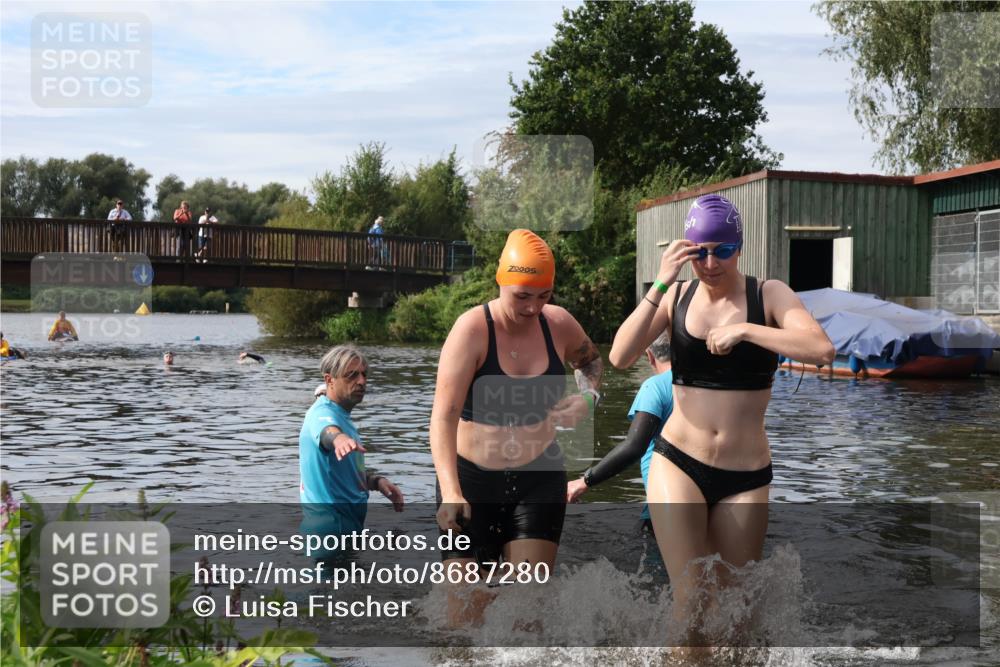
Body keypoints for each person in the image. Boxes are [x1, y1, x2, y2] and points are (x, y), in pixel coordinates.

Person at [609, 193, 835, 645]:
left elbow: (822, 351)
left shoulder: (767, 294)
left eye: (723, 251)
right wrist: (659, 283)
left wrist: (747, 330)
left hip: (744, 476)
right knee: (690, 604)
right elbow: (619, 355)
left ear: (739, 247)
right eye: (700, 253)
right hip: (679, 462)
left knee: (736, 618)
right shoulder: (675, 295)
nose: (711, 264)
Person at [431, 228, 603, 624]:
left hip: (538, 477)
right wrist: (451, 491)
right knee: (465, 620)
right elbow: (443, 417)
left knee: (528, 614)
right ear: (500, 280)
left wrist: (588, 399)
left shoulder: (557, 324)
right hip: (470, 481)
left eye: (543, 296)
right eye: (522, 295)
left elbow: (591, 362)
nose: (532, 307)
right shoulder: (471, 330)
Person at [299, 346, 404, 558]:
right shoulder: (322, 413)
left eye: (364, 374)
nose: (362, 381)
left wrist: (375, 482)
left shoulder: (340, 414)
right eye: (352, 375)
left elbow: (341, 472)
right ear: (329, 380)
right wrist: (339, 439)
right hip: (330, 532)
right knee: (324, 591)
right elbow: (328, 433)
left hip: (345, 528)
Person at [567, 331, 673, 532]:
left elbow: (634, 446)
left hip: (665, 505)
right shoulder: (706, 387)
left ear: (649, 355)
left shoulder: (655, 387)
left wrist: (585, 481)